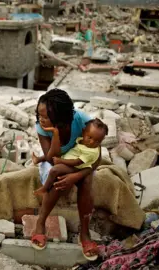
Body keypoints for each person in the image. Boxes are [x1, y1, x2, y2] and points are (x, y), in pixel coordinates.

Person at [30, 89, 101, 261]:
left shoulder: (84, 122)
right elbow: (51, 158)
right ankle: (41, 222)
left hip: (79, 163)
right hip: (57, 162)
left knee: (87, 179)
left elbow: (96, 159)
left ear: (60, 116)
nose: (41, 119)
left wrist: (76, 176)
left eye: (45, 116)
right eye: (39, 115)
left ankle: (84, 232)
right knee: (58, 178)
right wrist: (54, 134)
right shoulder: (42, 127)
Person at [33, 118, 108, 196]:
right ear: (83, 132)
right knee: (52, 155)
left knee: (54, 170)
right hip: (69, 157)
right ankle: (38, 159)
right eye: (90, 137)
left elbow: (77, 162)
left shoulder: (91, 152)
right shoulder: (81, 140)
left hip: (77, 167)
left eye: (97, 141)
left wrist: (61, 161)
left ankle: (44, 189)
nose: (92, 142)